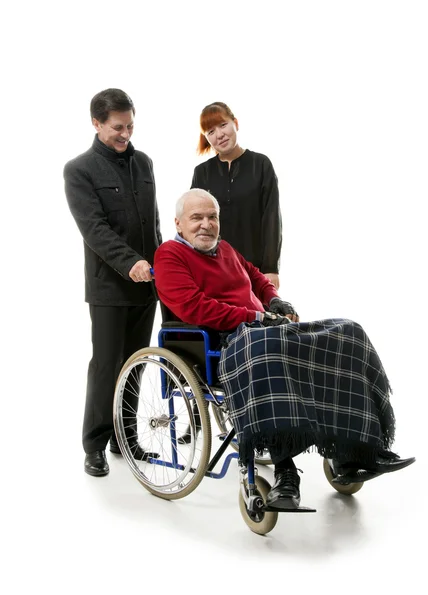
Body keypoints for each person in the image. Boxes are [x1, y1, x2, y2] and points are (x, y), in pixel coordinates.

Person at [153, 188, 415, 510]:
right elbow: (195, 308)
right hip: (225, 342)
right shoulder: (169, 255)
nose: (206, 224)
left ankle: (354, 453)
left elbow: (257, 280)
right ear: (179, 224)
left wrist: (275, 300)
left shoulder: (227, 250)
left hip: (265, 328)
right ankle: (285, 471)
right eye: (197, 218)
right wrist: (256, 317)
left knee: (347, 333)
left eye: (212, 217)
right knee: (269, 348)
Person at [64, 88, 162, 477]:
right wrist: (130, 263)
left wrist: (160, 266)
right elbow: (94, 229)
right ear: (96, 123)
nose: (126, 134)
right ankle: (95, 444)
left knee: (136, 364)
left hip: (147, 284)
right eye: (118, 127)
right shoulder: (80, 170)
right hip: (109, 285)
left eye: (131, 125)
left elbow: (151, 224)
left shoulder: (144, 163)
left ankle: (126, 438)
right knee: (107, 365)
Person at [191, 102, 282, 289]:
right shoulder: (202, 172)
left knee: (258, 317)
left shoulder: (261, 165)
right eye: (211, 132)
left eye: (223, 125)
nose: (219, 135)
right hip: (213, 269)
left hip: (255, 271)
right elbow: (193, 223)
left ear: (236, 123)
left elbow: (271, 218)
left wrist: (271, 268)